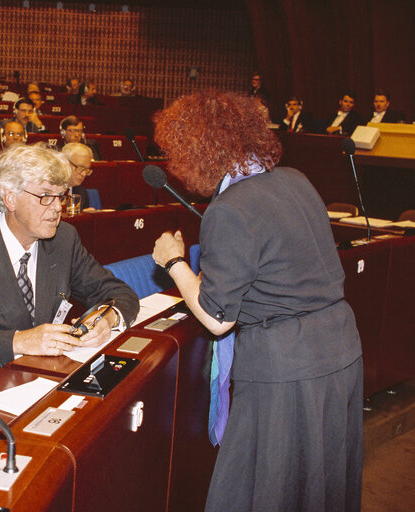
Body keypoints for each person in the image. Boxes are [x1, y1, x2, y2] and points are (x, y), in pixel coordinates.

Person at [151, 90, 362, 512]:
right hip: (339, 348)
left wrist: (174, 261)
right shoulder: (294, 179)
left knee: (265, 488)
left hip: (286, 368)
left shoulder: (229, 209)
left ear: (195, 151)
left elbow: (216, 318)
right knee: (320, 484)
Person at [0, 143, 139, 398]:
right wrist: (21, 341)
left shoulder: (64, 238)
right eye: (44, 197)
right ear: (10, 197)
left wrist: (107, 319)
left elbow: (118, 292)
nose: (56, 208)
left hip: (41, 380)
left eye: (60, 196)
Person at [61, 142, 94, 210]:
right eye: (80, 168)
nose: (84, 174)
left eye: (87, 170)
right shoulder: (49, 189)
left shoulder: (81, 192)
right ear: (65, 163)